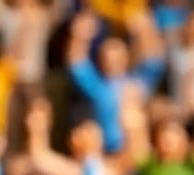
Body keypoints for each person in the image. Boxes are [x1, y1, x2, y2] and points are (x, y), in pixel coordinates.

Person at [67, 9, 164, 157]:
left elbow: (154, 59)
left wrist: (146, 28)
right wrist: (80, 36)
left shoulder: (139, 82)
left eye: (117, 56)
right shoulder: (98, 86)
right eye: (107, 56)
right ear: (101, 60)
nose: (113, 61)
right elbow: (77, 64)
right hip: (109, 152)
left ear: (126, 57)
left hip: (138, 150)